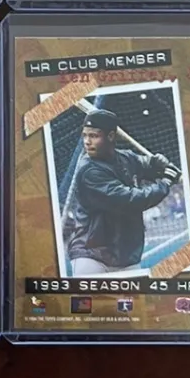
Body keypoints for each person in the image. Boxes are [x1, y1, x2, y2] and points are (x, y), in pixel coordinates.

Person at [64, 109, 177, 273]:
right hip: (92, 257)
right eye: (85, 135)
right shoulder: (90, 170)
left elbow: (144, 163)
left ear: (111, 136)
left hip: (125, 258)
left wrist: (157, 163)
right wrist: (165, 183)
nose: (87, 142)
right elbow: (130, 200)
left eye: (94, 136)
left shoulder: (126, 158)